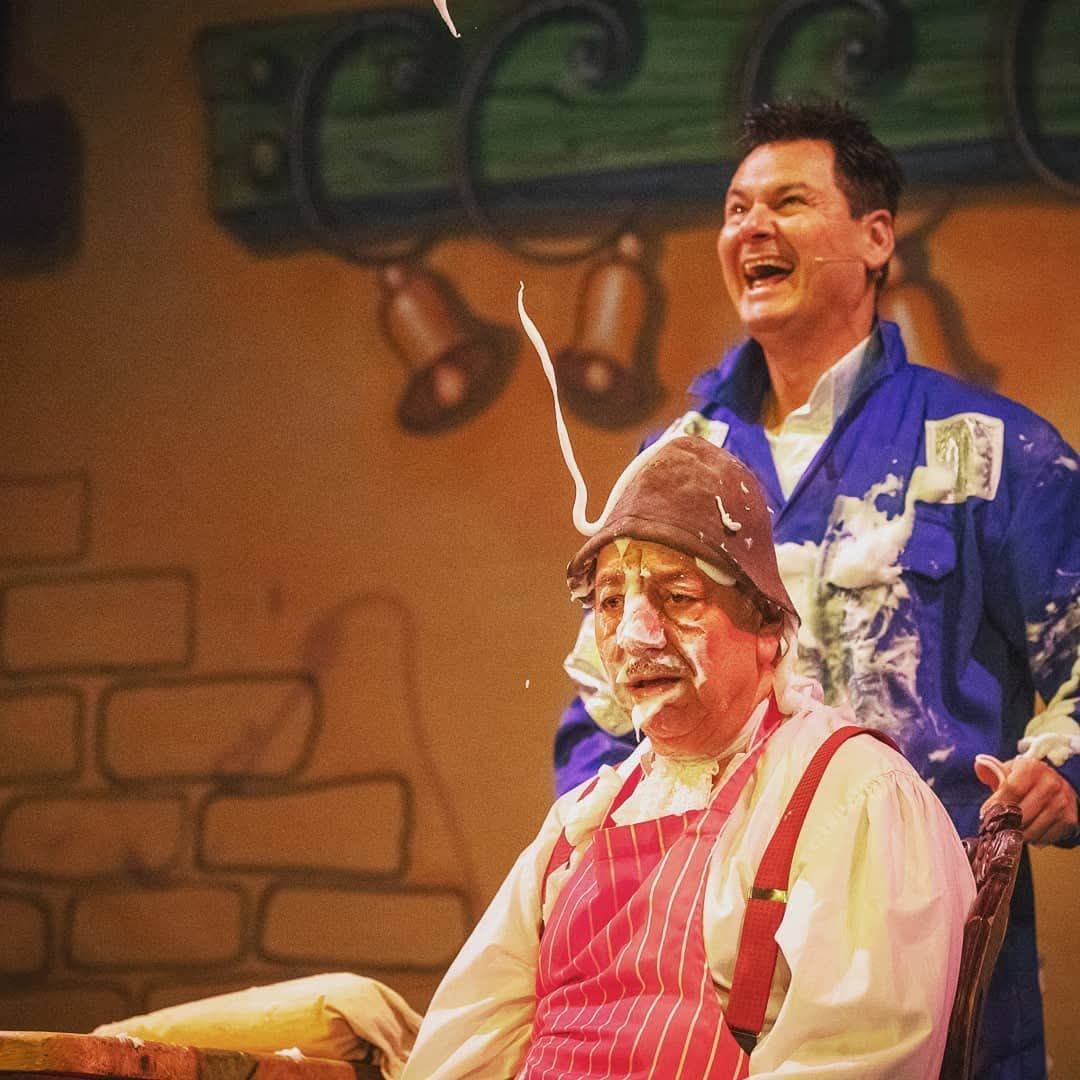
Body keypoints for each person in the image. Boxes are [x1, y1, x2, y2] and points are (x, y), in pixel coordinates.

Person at [555, 98, 1080, 1079]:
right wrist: (610, 866)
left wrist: (1061, 767)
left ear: (876, 237)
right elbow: (600, 709)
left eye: (788, 202)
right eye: (735, 209)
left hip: (924, 930)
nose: (750, 228)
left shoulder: (991, 451)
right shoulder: (674, 466)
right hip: (694, 947)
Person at [404, 436, 974, 1079]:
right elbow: (466, 1042)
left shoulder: (853, 795)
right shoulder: (584, 820)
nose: (634, 635)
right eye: (611, 603)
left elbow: (857, 1058)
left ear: (767, 628)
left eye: (677, 598)